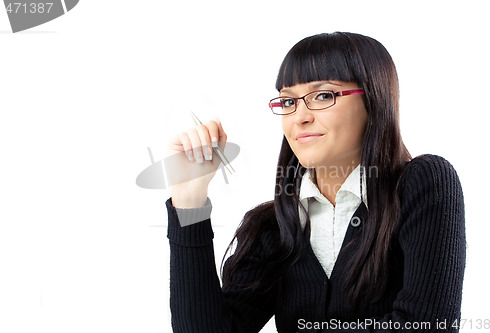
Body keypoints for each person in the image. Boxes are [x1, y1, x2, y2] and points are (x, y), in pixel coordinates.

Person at [165, 32, 466, 332]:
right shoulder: (272, 226)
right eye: (287, 101)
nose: (299, 117)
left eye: (323, 95)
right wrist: (189, 202)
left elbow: (426, 326)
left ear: (374, 98)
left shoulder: (423, 184)